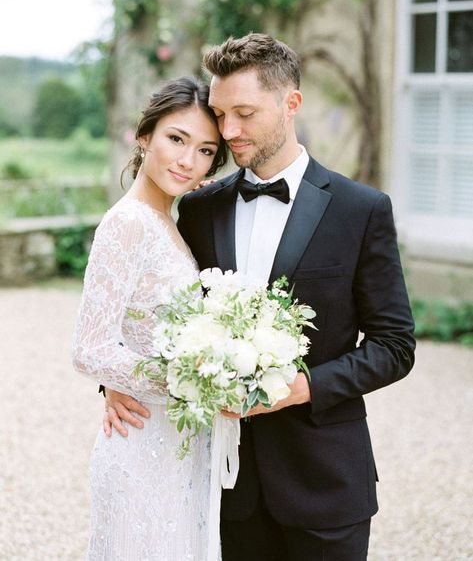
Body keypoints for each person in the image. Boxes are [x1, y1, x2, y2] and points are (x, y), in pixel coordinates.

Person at [104, 33, 416, 561]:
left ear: (290, 103)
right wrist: (120, 382)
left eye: (243, 113)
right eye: (221, 114)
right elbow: (157, 312)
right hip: (223, 484)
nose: (228, 131)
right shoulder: (200, 209)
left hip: (325, 481)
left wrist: (302, 387)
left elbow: (394, 345)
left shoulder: (360, 209)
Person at [71, 76, 227, 560]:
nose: (187, 160)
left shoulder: (171, 224)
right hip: (140, 444)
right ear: (145, 137)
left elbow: (135, 330)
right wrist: (199, 384)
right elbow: (90, 348)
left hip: (181, 442)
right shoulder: (127, 223)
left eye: (204, 150)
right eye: (176, 139)